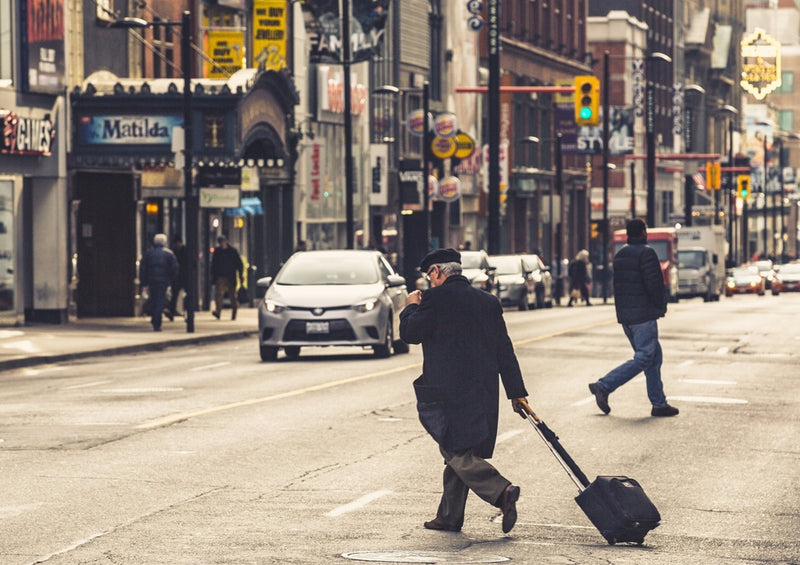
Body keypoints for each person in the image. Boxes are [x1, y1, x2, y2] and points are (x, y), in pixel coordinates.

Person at [399, 248, 530, 534]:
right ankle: (449, 516)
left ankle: (501, 490)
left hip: (447, 393)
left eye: (429, 276)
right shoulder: (488, 302)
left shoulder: (434, 300)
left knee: (454, 448)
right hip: (482, 391)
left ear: (437, 272)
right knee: (461, 448)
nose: (428, 282)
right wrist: (516, 392)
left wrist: (410, 306)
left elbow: (410, 334)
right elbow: (504, 349)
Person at [588, 219, 679, 417]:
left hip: (627, 317)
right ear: (643, 233)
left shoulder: (620, 255)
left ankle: (659, 403)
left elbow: (618, 287)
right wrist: (660, 306)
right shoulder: (647, 253)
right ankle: (604, 385)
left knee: (654, 358)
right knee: (645, 357)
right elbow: (654, 284)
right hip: (643, 316)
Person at [139, 233, 179, 332]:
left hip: (151, 280)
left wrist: (144, 282)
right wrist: (171, 279)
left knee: (153, 299)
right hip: (163, 281)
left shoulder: (149, 254)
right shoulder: (169, 254)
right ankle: (157, 322)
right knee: (160, 301)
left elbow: (143, 268)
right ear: (164, 242)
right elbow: (175, 268)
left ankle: (154, 318)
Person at [211, 235, 244, 320]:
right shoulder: (217, 252)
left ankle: (234, 314)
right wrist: (214, 277)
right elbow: (214, 265)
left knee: (232, 296)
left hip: (231, 277)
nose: (221, 243)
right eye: (220, 242)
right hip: (221, 276)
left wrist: (240, 275)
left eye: (222, 241)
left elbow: (239, 264)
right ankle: (218, 312)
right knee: (219, 294)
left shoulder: (232, 251)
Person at [168, 235, 187, 319]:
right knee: (174, 294)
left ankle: (187, 312)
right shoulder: (173, 252)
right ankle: (171, 312)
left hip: (184, 275)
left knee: (187, 294)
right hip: (176, 276)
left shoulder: (185, 250)